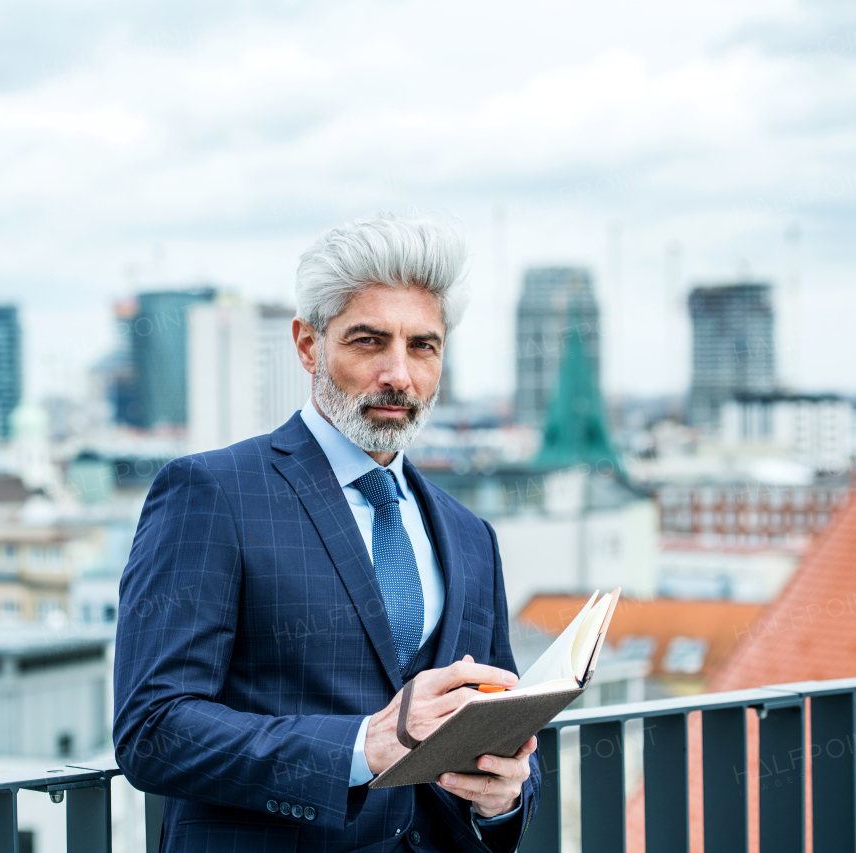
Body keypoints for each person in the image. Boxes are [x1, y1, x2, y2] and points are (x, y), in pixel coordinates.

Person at [114, 212, 540, 852]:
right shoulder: (212, 494)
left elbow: (503, 727)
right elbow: (154, 731)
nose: (399, 374)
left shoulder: (470, 534)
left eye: (423, 345)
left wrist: (503, 798)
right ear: (309, 345)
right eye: (369, 341)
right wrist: (362, 746)